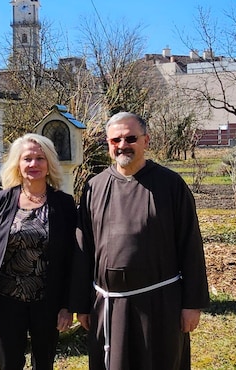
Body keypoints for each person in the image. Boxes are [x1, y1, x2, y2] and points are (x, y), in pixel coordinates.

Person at [72, 112, 210, 370]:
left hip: (159, 305)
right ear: (108, 143)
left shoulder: (170, 185)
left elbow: (190, 245)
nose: (122, 145)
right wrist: (81, 304)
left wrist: (192, 304)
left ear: (146, 141)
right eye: (116, 140)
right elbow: (83, 249)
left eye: (130, 138)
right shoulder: (94, 187)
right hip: (109, 304)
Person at [0, 133, 78, 370]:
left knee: (44, 363)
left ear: (49, 165)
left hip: (47, 301)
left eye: (40, 158)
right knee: (9, 363)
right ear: (18, 164)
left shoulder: (64, 204)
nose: (33, 164)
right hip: (7, 299)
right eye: (27, 158)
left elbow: (72, 258)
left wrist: (68, 305)